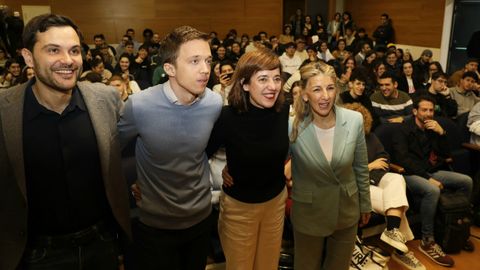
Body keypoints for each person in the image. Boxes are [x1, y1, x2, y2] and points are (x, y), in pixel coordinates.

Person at [0, 14, 131, 270]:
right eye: (53, 50)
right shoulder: (4, 111)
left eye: (74, 51)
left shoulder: (106, 100)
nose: (68, 61)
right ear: (28, 57)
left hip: (102, 244)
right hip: (36, 254)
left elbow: (128, 151)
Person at [118, 25, 222, 270]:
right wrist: (129, 183)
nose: (205, 69)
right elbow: (112, 149)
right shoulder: (139, 106)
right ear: (169, 68)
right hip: (155, 227)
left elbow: (203, 148)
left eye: (208, 60)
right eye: (194, 61)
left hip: (200, 219)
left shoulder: (214, 102)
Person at [206, 48, 289, 270]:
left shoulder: (283, 110)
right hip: (239, 209)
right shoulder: (227, 117)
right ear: (244, 83)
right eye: (263, 79)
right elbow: (198, 155)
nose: (273, 86)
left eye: (277, 78)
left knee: (268, 266)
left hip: (275, 203)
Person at [289, 61, 371, 270]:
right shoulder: (292, 126)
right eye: (317, 89)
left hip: (346, 209)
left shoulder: (354, 120)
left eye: (330, 88)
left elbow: (361, 167)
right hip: (309, 213)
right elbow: (270, 162)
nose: (325, 96)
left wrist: (365, 204)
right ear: (305, 94)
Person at [392, 95, 473, 267]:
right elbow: (404, 160)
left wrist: (442, 134)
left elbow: (446, 155)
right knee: (432, 190)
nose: (428, 114)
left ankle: (454, 228)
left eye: (431, 110)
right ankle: (427, 240)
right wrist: (428, 178)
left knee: (466, 181)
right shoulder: (402, 129)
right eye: (424, 110)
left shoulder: (433, 128)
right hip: (409, 174)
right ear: (415, 111)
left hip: (431, 171)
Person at [343, 103, 425, 270]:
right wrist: (369, 167)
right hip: (358, 186)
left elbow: (384, 158)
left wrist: (371, 171)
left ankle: (391, 231)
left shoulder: (370, 137)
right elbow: (342, 172)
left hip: (377, 180)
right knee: (395, 204)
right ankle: (401, 251)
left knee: (396, 178)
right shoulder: (340, 141)